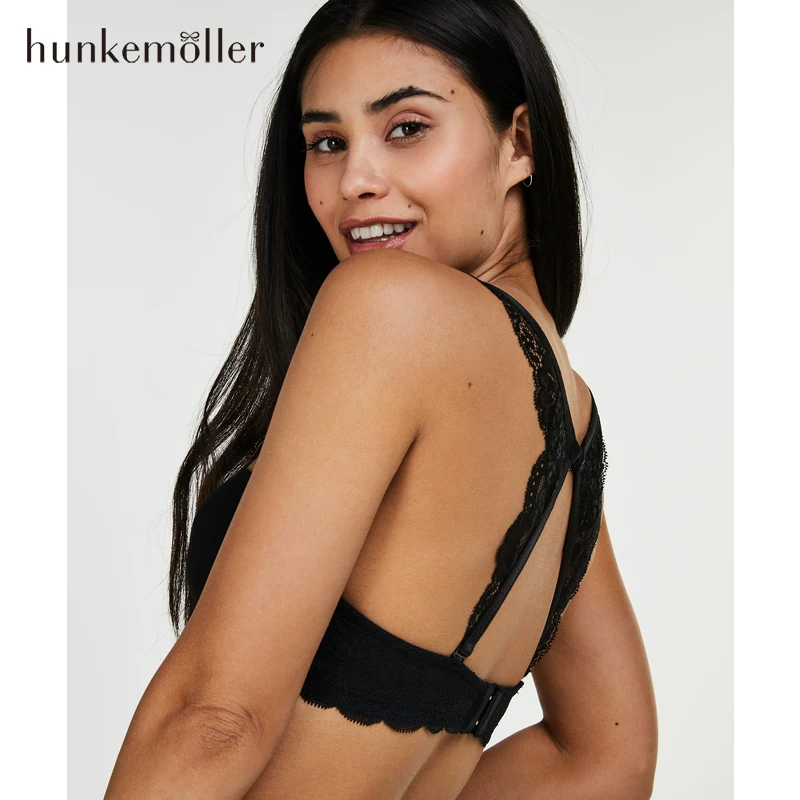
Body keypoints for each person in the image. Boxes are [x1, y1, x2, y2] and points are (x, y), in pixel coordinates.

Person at [104, 1, 658, 798]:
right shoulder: (570, 422)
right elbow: (604, 758)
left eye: (406, 128)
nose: (355, 181)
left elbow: (214, 717)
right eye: (327, 143)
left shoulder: (390, 305)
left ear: (519, 143)